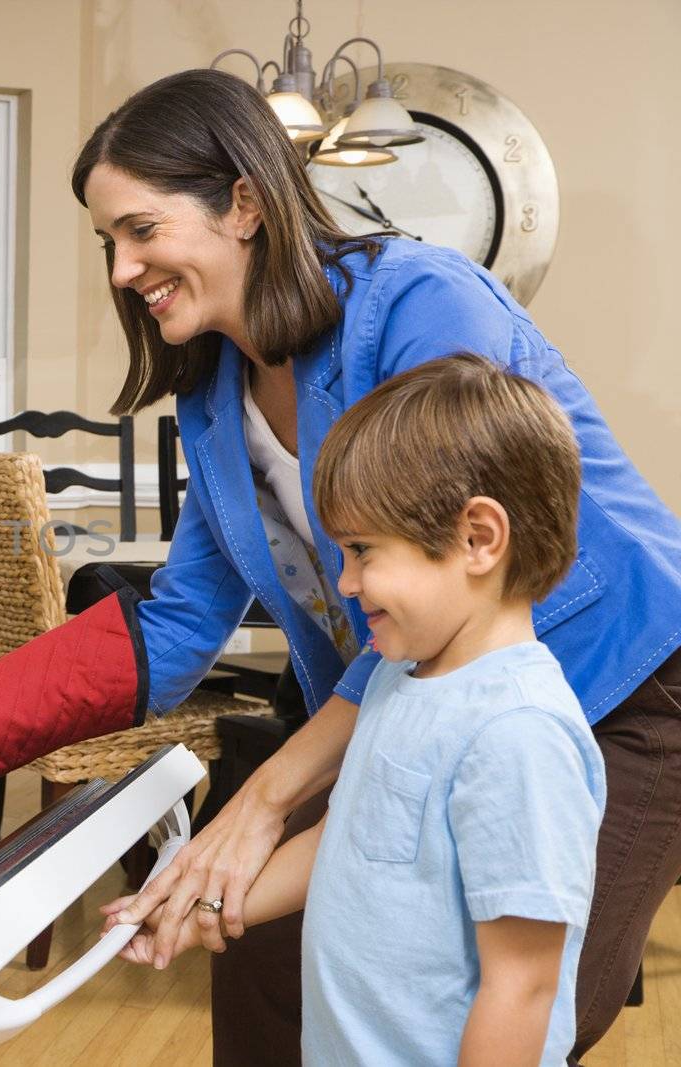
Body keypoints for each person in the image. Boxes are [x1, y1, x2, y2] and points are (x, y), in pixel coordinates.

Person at [0, 67, 681, 1064]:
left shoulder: (418, 301)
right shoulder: (210, 401)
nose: (121, 268)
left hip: (611, 678)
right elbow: (176, 624)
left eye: (140, 229)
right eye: (106, 242)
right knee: (260, 940)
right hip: (407, 691)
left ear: (243, 203)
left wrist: (262, 800)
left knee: (501, 991)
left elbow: (451, 579)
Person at [114, 354, 604, 1065]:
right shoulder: (397, 676)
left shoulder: (518, 734)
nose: (345, 581)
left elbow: (523, 983)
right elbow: (350, 839)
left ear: (478, 538)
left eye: (364, 551)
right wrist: (211, 905)